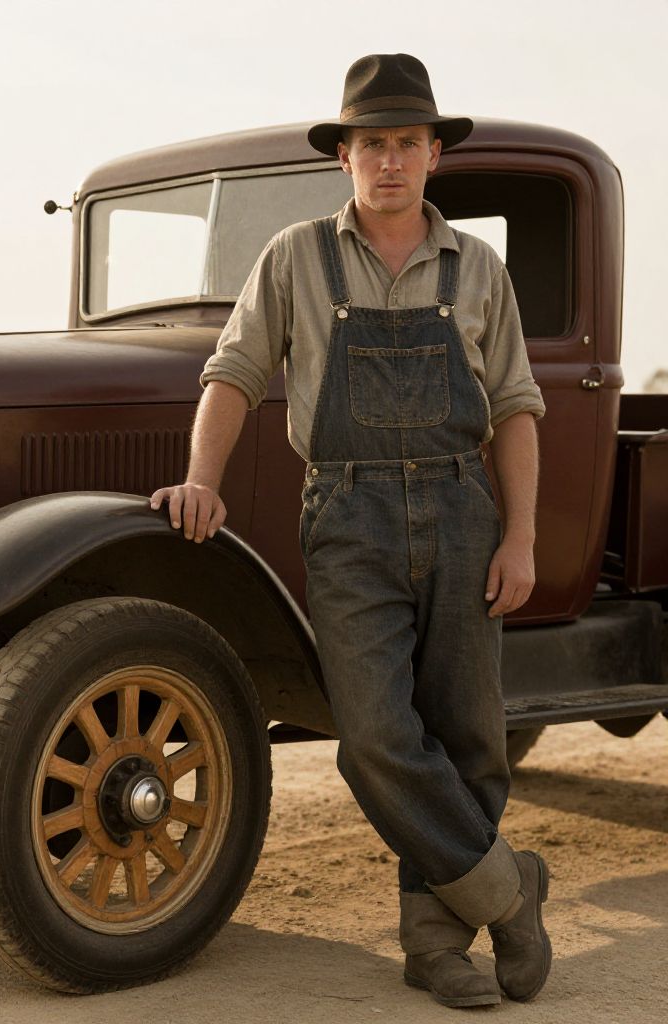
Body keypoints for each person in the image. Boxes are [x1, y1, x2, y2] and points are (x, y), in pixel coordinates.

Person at [150, 53, 551, 1009]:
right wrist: (200, 480)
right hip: (348, 510)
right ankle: (508, 892)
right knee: (374, 736)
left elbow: (518, 409)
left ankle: (435, 947)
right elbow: (233, 372)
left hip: (462, 506)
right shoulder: (295, 257)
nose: (389, 161)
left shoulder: (478, 268)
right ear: (345, 156)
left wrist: (520, 539)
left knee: (467, 737)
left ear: (432, 157)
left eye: (407, 143)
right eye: (371, 143)